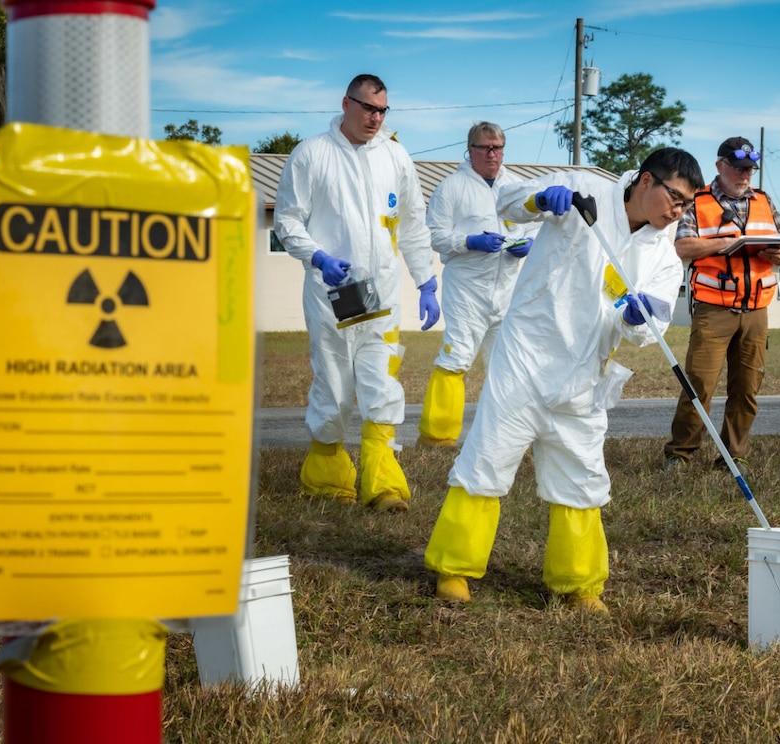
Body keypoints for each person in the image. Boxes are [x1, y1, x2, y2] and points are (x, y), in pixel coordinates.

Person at [424, 148, 705, 610]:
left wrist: (639, 318)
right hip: (526, 358)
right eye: (674, 198)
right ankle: (453, 568)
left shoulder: (664, 255)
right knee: (487, 460)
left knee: (582, 476)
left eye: (686, 205)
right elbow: (508, 202)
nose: (678, 211)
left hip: (584, 377)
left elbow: (646, 332)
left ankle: (578, 584)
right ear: (646, 181)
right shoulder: (586, 190)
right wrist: (540, 201)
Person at [274, 74, 440, 513]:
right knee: (333, 380)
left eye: (383, 110)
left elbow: (413, 221)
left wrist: (425, 281)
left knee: (381, 378)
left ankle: (382, 481)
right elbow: (287, 221)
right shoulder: (311, 154)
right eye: (368, 108)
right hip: (333, 290)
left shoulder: (396, 155)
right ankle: (328, 475)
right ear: (346, 103)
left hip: (379, 291)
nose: (376, 118)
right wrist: (318, 258)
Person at [663, 136, 780, 479]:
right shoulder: (698, 201)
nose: (745, 175)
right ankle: (681, 453)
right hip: (713, 309)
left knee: (747, 387)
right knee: (700, 384)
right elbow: (682, 246)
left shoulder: (764, 201)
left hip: (755, 309)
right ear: (719, 165)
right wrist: (726, 244)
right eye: (738, 168)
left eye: (749, 169)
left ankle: (734, 456)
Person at [417, 122, 540, 447]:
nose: (491, 154)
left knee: (507, 365)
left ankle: (503, 437)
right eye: (484, 147)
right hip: (467, 292)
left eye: (497, 147)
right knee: (456, 358)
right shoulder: (452, 188)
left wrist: (528, 244)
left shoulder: (516, 185)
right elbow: (434, 235)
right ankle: (437, 438)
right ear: (469, 150)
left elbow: (535, 228)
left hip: (508, 291)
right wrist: (470, 241)